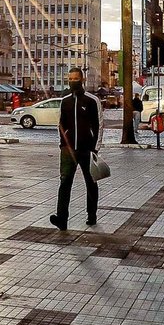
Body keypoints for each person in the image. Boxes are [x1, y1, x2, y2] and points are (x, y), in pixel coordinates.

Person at [51, 67, 102, 230]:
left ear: (83, 80)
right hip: (68, 150)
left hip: (87, 150)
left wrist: (95, 148)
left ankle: (92, 215)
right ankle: (61, 219)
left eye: (76, 78)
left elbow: (99, 124)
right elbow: (61, 124)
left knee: (91, 183)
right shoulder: (65, 101)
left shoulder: (92, 100)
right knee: (64, 182)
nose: (73, 81)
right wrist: (63, 144)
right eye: (70, 79)